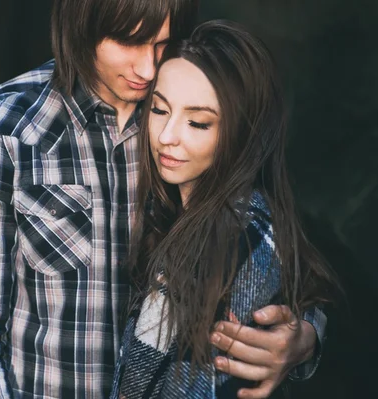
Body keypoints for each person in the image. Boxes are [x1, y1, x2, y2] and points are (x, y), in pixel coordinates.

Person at [0, 1, 326, 398]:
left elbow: (267, 241)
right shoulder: (1, 132)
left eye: (162, 44)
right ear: (82, 23)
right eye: (129, 41)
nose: (146, 68)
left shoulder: (189, 106)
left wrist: (304, 338)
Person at [110, 20, 339, 398]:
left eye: (198, 123)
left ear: (241, 134)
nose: (167, 137)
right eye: (160, 110)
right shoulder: (196, 214)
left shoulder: (226, 240)